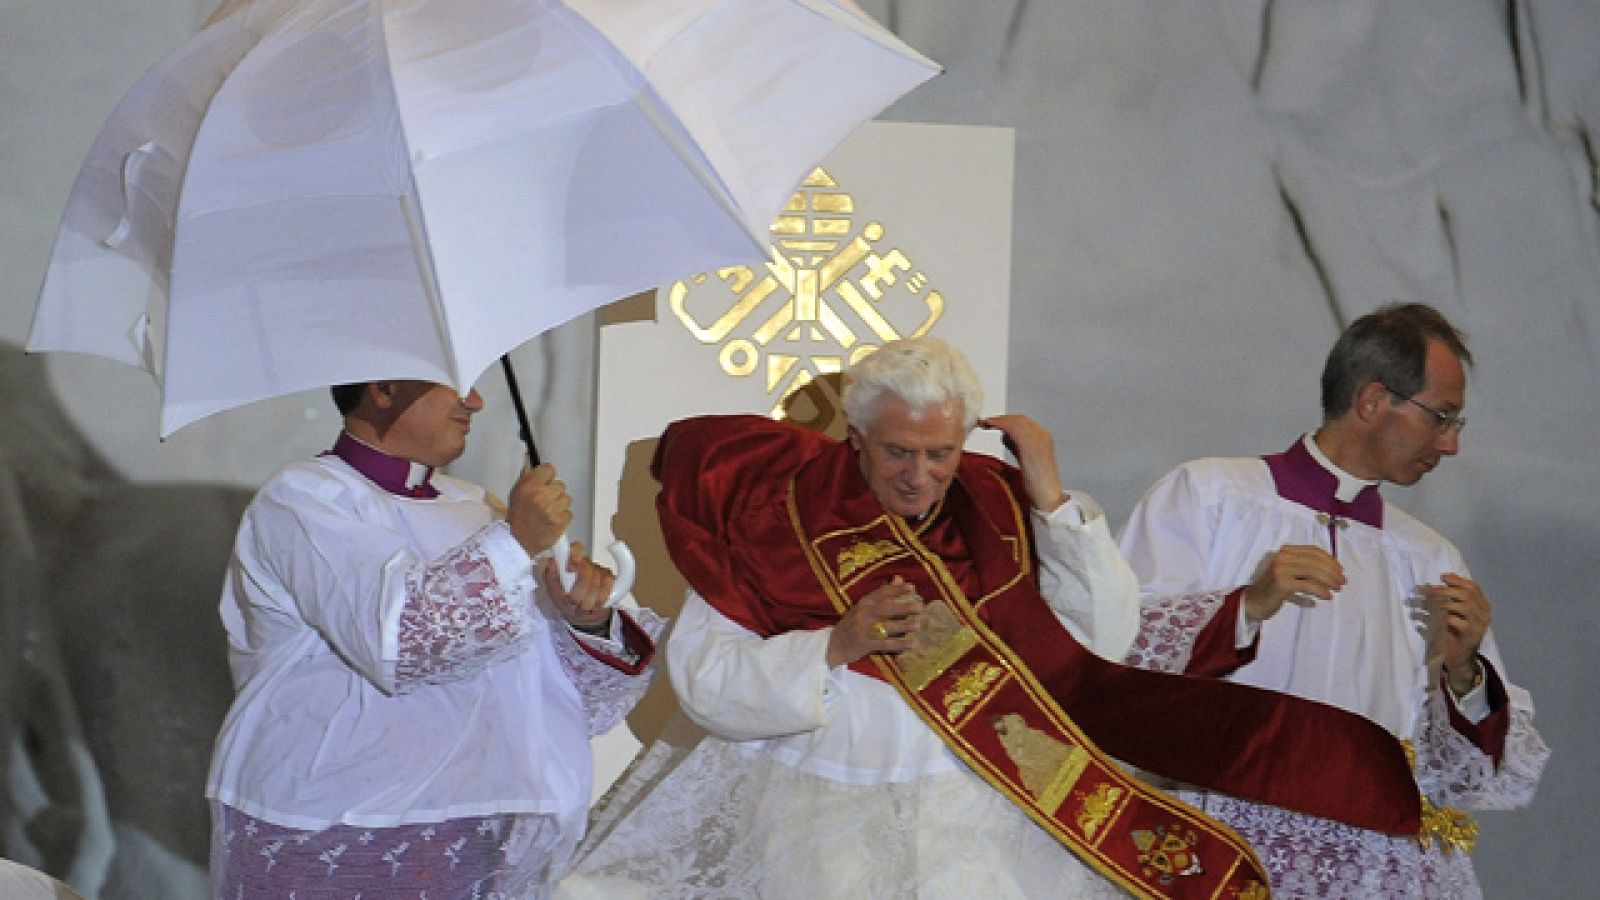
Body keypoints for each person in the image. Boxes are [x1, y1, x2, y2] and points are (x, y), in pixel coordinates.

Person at [561, 337, 1287, 899]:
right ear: (855, 435)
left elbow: (1102, 634)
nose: (919, 474)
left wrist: (1051, 498)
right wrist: (832, 646)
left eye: (940, 453)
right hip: (817, 815)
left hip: (973, 822)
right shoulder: (773, 518)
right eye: (898, 452)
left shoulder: (998, 509)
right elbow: (704, 682)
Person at [1119, 303, 1549, 898]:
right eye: (1441, 418)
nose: (1449, 445)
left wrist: (1464, 671)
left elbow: (1466, 778)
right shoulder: (1210, 497)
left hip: (1370, 863)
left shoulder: (1429, 557)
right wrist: (1245, 607)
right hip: (1222, 841)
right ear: (1373, 401)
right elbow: (1118, 658)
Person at [205, 380, 664, 899]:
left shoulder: (477, 505)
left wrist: (582, 614)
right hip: (336, 824)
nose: (476, 402)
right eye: (458, 386)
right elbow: (397, 642)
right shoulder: (304, 499)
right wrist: (513, 541)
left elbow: (573, 693)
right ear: (382, 389)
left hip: (476, 825)